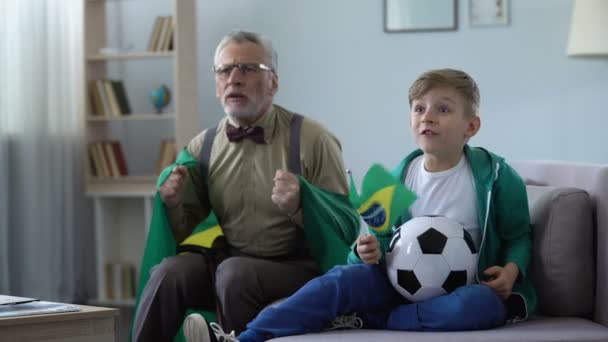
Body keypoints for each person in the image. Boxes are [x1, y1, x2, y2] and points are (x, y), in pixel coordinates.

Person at [183, 68, 537, 342]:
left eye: (443, 109)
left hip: (464, 289)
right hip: (398, 287)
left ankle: (375, 319)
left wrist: (510, 272)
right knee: (341, 279)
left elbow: (519, 235)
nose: (427, 117)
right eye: (419, 108)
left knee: (479, 305)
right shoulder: (394, 178)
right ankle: (243, 337)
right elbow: (377, 248)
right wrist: (365, 251)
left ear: (471, 126)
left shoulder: (495, 177)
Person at [131, 30, 358, 341]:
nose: (234, 79)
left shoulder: (312, 139)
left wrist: (303, 206)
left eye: (249, 69)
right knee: (168, 274)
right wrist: (171, 202)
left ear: (274, 83)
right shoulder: (203, 146)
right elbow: (183, 229)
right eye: (225, 70)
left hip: (301, 269)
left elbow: (346, 225)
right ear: (216, 84)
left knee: (235, 274)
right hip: (230, 262)